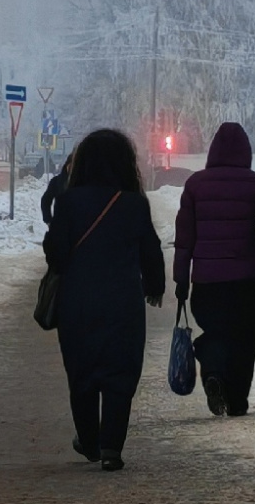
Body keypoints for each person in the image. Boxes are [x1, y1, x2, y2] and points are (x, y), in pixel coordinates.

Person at [44, 130, 165, 471]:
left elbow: (56, 255)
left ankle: (89, 440)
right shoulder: (134, 203)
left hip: (77, 301)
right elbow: (151, 251)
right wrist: (154, 287)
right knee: (119, 372)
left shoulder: (68, 203)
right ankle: (112, 446)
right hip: (123, 302)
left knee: (81, 372)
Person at [172, 122, 255, 417]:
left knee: (215, 333)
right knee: (245, 339)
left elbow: (184, 239)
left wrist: (181, 279)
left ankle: (214, 374)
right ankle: (238, 401)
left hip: (206, 281)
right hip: (245, 281)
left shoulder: (195, 185)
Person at [40, 152, 74, 225]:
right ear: (67, 165)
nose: (72, 169)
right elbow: (45, 200)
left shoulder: (85, 183)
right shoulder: (57, 181)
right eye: (71, 166)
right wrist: (48, 220)